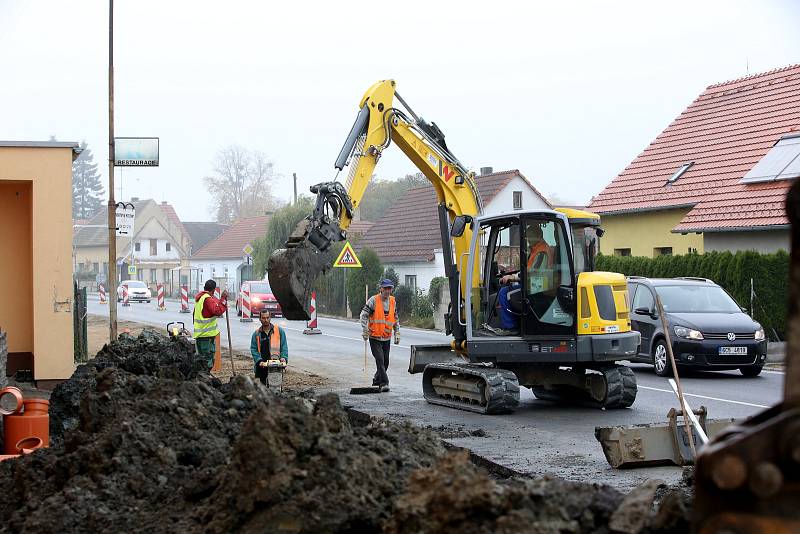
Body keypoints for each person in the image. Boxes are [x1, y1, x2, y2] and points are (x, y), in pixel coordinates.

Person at [495, 224, 553, 334]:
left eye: (531, 236)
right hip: (534, 284)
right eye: (528, 237)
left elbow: (532, 273)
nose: (529, 240)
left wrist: (513, 277)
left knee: (504, 292)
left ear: (538, 235)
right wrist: (514, 276)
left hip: (537, 288)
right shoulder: (536, 249)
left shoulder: (541, 251)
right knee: (509, 289)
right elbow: (527, 269)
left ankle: (510, 328)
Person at [360, 279, 400, 392]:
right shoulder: (373, 300)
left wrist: (397, 332)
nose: (388, 291)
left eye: (390, 288)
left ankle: (377, 380)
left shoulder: (392, 301)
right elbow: (363, 315)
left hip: (386, 337)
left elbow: (395, 318)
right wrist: (365, 330)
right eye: (386, 288)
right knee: (380, 360)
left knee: (386, 362)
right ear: (381, 289)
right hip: (375, 337)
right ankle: (384, 383)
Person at [193, 279, 229, 370]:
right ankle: (205, 378)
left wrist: (221, 300)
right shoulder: (207, 299)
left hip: (202, 335)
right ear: (213, 290)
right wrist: (223, 299)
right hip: (206, 336)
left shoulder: (200, 298)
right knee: (207, 360)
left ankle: (203, 378)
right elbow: (217, 311)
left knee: (202, 360)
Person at [250, 309, 288, 385]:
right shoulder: (257, 334)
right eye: (263, 318)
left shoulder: (279, 331)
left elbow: (284, 347)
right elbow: (253, 349)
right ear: (260, 319)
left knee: (275, 387)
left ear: (270, 318)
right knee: (262, 389)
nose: (266, 320)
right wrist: (258, 360)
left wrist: (284, 357)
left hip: (276, 365)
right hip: (262, 366)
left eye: (267, 317)